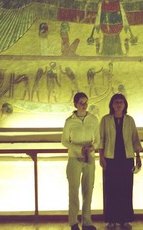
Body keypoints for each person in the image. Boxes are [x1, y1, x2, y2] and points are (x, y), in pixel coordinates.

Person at [99, 94, 142, 229]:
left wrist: (138, 156)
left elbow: (135, 138)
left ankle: (125, 219)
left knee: (126, 189)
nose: (118, 105)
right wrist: (101, 157)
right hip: (110, 158)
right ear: (112, 104)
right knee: (111, 190)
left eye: (121, 102)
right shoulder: (105, 120)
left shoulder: (130, 120)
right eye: (116, 102)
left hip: (127, 158)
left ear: (125, 105)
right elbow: (101, 139)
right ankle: (111, 220)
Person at [61, 92, 99, 230]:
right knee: (73, 190)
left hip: (89, 158)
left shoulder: (93, 119)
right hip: (74, 158)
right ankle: (73, 222)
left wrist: (92, 147)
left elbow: (98, 139)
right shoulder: (69, 121)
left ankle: (87, 221)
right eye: (81, 102)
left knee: (88, 189)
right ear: (75, 104)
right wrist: (78, 149)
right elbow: (64, 141)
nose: (84, 105)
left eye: (86, 102)